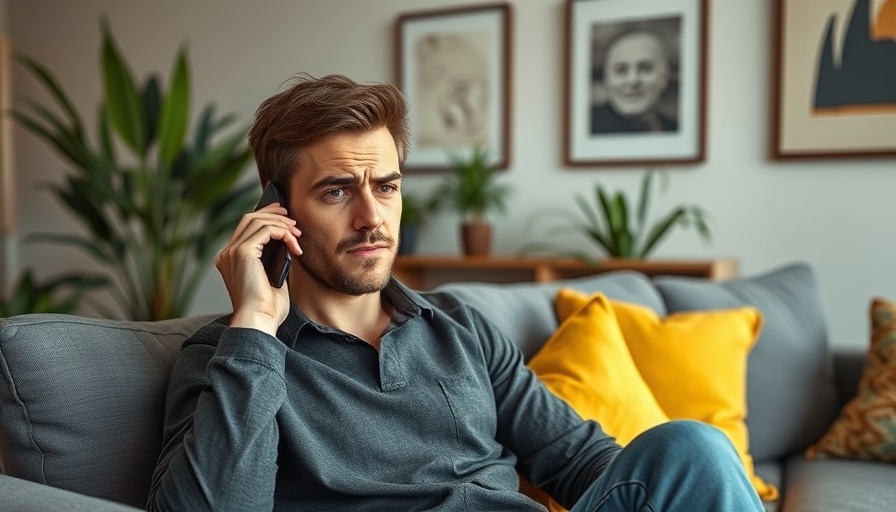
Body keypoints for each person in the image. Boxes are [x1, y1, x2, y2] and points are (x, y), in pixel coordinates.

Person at [146, 73, 762, 511]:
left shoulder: (458, 325)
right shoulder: (228, 360)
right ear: (277, 212)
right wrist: (254, 323)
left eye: (385, 187)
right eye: (337, 191)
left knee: (693, 447)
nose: (373, 218)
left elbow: (578, 459)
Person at [591, 29, 679, 134]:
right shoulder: (589, 126)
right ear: (605, 78)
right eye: (621, 70)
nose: (633, 80)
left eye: (646, 69)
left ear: (665, 76)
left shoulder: (673, 128)